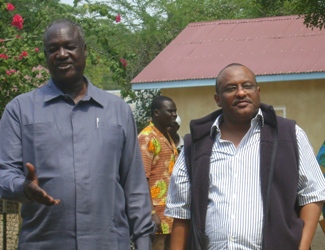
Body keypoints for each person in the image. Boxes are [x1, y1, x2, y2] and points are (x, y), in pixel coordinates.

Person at [0, 18, 155, 250]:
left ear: (84, 51)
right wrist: (24, 188)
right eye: (53, 49)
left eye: (69, 47)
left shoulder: (117, 110)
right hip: (44, 243)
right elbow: (3, 173)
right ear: (46, 56)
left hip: (108, 243)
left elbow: (134, 185)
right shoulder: (20, 110)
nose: (62, 54)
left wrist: (143, 241)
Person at [165, 63, 325, 250]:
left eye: (247, 86)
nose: (241, 93)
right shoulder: (196, 144)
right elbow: (181, 212)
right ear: (217, 99)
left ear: (258, 91)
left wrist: (302, 247)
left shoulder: (289, 135)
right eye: (231, 88)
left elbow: (312, 194)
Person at [138, 96, 178, 250]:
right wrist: (151, 212)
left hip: (170, 208)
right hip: (156, 210)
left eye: (175, 111)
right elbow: (142, 177)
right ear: (156, 112)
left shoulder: (166, 135)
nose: (174, 114)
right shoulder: (147, 137)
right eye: (170, 111)